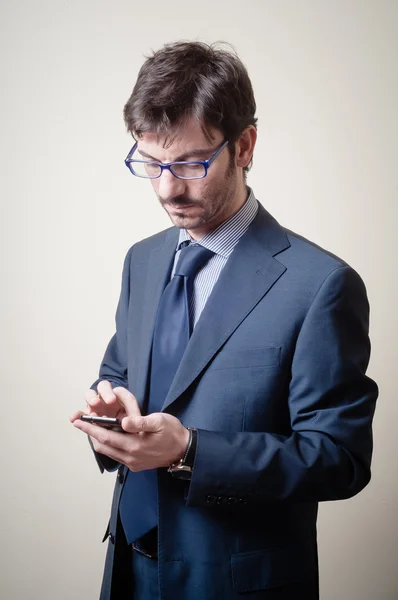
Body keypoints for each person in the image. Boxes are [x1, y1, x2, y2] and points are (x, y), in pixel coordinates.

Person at [71, 41, 378, 600]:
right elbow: (118, 369)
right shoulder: (142, 260)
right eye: (150, 163)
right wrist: (109, 409)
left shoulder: (321, 286)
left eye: (190, 162)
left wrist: (190, 450)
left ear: (245, 145)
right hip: (127, 572)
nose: (167, 188)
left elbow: (339, 459)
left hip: (235, 584)